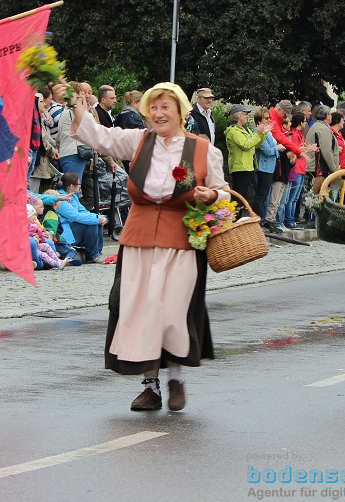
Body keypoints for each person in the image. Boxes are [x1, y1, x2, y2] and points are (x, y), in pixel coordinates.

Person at [64, 81, 228, 411]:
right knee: (141, 311)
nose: (158, 113)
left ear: (181, 111)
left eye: (165, 107)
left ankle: (177, 377)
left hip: (180, 242)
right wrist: (76, 104)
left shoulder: (202, 149)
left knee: (171, 311)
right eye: (153, 107)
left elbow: (223, 191)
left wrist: (209, 195)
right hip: (138, 241)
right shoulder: (139, 141)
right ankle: (150, 386)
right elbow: (98, 136)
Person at [52, 171, 107, 264]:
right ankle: (93, 255)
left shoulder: (73, 197)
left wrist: (101, 217)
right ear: (71, 186)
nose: (80, 186)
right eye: (79, 184)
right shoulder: (60, 198)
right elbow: (75, 216)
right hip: (65, 233)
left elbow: (84, 212)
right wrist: (96, 219)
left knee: (96, 221)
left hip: (73, 228)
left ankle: (97, 252)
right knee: (92, 223)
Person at [224, 104, 266, 206]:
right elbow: (246, 145)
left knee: (243, 197)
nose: (247, 116)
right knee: (239, 197)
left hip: (247, 166)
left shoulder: (245, 129)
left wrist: (263, 134)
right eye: (245, 114)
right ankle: (235, 219)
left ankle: (239, 218)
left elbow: (255, 145)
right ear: (238, 116)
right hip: (240, 167)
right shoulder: (234, 131)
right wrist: (258, 134)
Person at [252, 107, 280, 222]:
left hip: (269, 167)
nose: (269, 120)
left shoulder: (268, 133)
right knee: (260, 196)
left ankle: (261, 220)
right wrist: (277, 149)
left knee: (264, 196)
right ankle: (256, 222)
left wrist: (275, 149)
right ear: (259, 120)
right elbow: (267, 151)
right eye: (266, 118)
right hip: (263, 167)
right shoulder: (258, 133)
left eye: (269, 117)